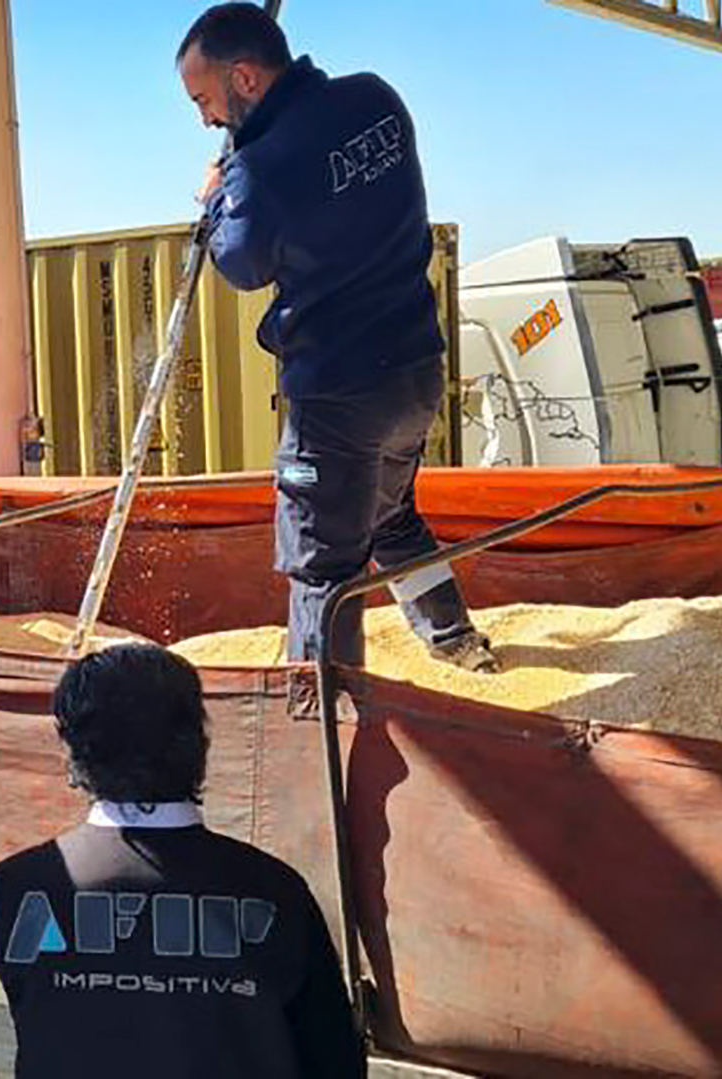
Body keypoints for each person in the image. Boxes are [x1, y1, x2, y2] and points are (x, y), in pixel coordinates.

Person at [178, 3, 497, 673]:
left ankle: (322, 710)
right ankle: (456, 640)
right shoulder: (376, 100)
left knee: (321, 561)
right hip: (415, 371)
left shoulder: (258, 169)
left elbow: (241, 265)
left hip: (336, 394)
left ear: (245, 78)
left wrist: (215, 197)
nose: (205, 120)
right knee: (391, 516)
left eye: (204, 100)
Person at [0, 644, 364, 1079]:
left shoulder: (19, 886)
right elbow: (335, 1058)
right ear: (198, 743)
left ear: (73, 748)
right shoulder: (277, 891)